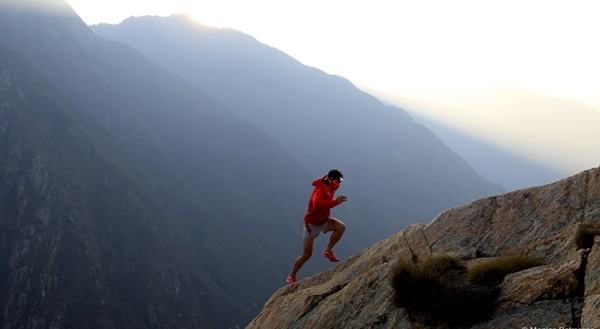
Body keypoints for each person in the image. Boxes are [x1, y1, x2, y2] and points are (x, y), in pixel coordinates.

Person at [287, 169, 348, 284]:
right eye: (337, 182)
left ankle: (327, 251)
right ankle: (291, 276)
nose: (339, 185)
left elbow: (323, 179)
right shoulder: (321, 189)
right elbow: (317, 206)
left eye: (340, 182)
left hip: (324, 220)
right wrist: (336, 202)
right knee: (306, 255)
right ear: (330, 180)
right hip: (312, 224)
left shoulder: (330, 186)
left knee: (341, 227)